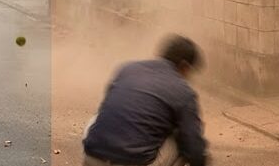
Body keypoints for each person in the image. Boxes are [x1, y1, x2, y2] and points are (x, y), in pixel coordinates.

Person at [83, 35, 209, 166]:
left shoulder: (127, 68)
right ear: (184, 66)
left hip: (92, 158)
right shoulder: (183, 90)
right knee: (182, 139)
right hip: (132, 162)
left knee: (98, 119)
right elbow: (194, 148)